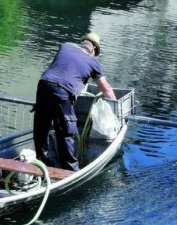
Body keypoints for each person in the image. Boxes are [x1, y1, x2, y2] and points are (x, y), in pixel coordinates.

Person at [33, 32, 117, 171]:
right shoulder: (93, 61)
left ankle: (41, 163)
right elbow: (105, 88)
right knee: (66, 130)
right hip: (62, 91)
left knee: (41, 127)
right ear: (94, 49)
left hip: (44, 85)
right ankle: (70, 170)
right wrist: (116, 106)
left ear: (82, 42)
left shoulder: (65, 46)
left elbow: (62, 68)